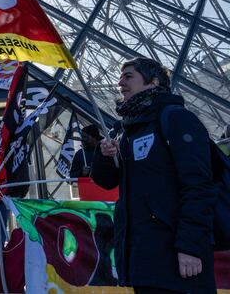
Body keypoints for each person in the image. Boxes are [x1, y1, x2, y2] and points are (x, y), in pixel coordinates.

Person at [91, 57, 216, 293]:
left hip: (177, 256)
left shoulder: (176, 119)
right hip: (143, 258)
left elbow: (199, 186)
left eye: (129, 76)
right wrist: (104, 156)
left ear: (153, 81)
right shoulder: (127, 130)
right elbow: (107, 182)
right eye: (120, 77)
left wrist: (190, 246)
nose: (120, 83)